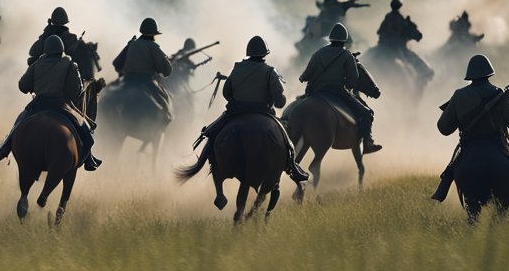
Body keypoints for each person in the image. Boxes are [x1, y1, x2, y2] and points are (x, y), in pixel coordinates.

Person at [194, 36, 309, 183]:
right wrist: (279, 100)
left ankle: (209, 159)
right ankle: (291, 166)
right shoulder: (270, 72)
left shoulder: (237, 68)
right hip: (263, 112)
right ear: (265, 54)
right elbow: (280, 102)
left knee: (211, 133)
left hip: (236, 111)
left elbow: (226, 93)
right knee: (286, 141)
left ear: (248, 52)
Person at [437, 54, 509, 216]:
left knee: (473, 213)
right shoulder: (498, 94)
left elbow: (443, 128)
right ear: (489, 73)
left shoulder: (459, 95)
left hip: (469, 152)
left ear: (470, 76)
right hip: (497, 149)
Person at [0, 35, 101, 170]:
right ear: (61, 49)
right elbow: (77, 90)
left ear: (46, 49)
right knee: (88, 137)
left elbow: (23, 86)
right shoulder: (70, 63)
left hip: (38, 104)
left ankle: (3, 149)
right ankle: (85, 161)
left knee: (18, 124)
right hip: (61, 105)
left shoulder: (37, 64)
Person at [299, 23, 381, 153]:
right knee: (366, 112)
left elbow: (305, 76)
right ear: (345, 40)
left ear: (331, 38)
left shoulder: (318, 53)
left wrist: (305, 77)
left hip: (316, 91)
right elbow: (353, 81)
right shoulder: (347, 56)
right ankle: (367, 142)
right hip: (337, 92)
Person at [113, 17, 173, 117]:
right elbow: (167, 71)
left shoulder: (132, 44)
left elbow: (116, 64)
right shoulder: (153, 47)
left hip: (126, 81)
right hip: (146, 82)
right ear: (154, 34)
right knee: (166, 110)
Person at [27, 6, 97, 81]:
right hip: (69, 85)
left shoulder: (47, 39)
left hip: (47, 83)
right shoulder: (73, 40)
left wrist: (46, 33)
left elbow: (33, 53)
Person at [375, 0, 434, 83]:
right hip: (397, 48)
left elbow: (379, 31)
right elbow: (402, 32)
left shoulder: (389, 17)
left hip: (384, 46)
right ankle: (423, 77)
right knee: (422, 67)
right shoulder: (399, 18)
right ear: (399, 6)